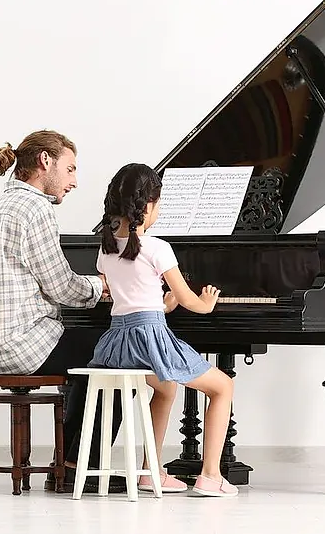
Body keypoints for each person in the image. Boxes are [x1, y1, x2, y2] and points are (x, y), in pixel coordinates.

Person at [0, 129, 126, 493]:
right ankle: (77, 467)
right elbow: (61, 285)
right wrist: (102, 285)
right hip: (25, 346)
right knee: (120, 354)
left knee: (93, 356)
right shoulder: (35, 208)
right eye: (70, 170)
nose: (74, 182)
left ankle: (68, 461)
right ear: (45, 161)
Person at [90, 162, 238, 497]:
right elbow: (190, 302)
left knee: (167, 388)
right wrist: (206, 302)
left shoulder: (106, 249)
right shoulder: (157, 248)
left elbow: (133, 296)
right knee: (222, 387)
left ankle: (149, 471)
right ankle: (211, 476)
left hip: (119, 342)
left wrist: (163, 304)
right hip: (150, 338)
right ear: (148, 205)